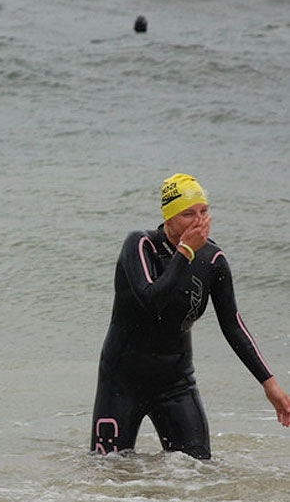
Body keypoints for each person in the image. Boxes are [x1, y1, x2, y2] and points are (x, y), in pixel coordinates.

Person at [90, 173, 290, 459]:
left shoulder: (212, 260)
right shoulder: (140, 245)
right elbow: (152, 300)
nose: (199, 220)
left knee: (198, 473)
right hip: (122, 382)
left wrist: (269, 384)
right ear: (168, 218)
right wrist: (184, 251)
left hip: (176, 383)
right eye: (188, 214)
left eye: (204, 211)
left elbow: (233, 325)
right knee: (106, 475)